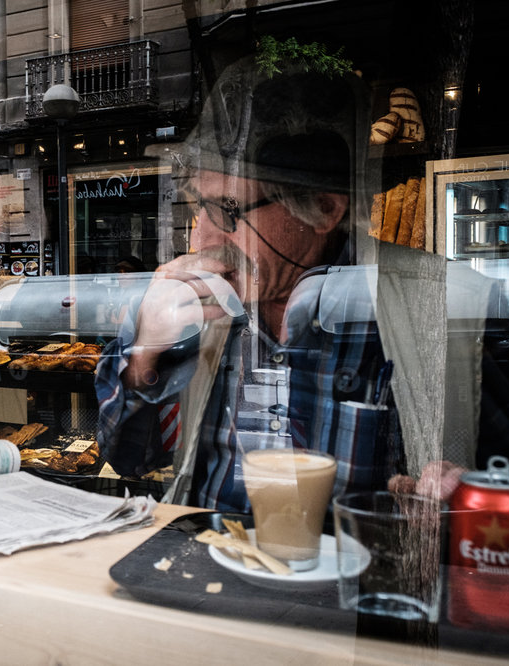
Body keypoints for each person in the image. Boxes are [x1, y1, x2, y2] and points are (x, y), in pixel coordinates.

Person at [94, 60, 405, 510]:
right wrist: (144, 356)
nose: (201, 240)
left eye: (227, 209)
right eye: (199, 208)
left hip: (347, 555)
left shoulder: (411, 308)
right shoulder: (185, 303)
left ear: (323, 208)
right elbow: (127, 459)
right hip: (207, 547)